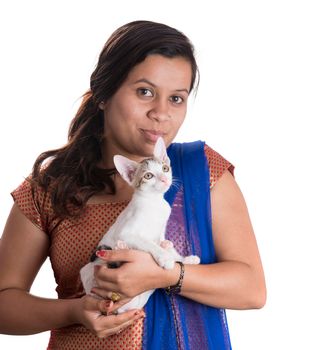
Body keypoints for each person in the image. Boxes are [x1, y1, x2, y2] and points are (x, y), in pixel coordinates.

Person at [0, 20, 266, 349]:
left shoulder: (202, 173)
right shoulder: (50, 188)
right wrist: (74, 310)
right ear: (103, 93)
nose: (161, 113)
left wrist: (165, 274)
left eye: (177, 99)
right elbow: (3, 302)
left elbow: (251, 289)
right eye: (145, 92)